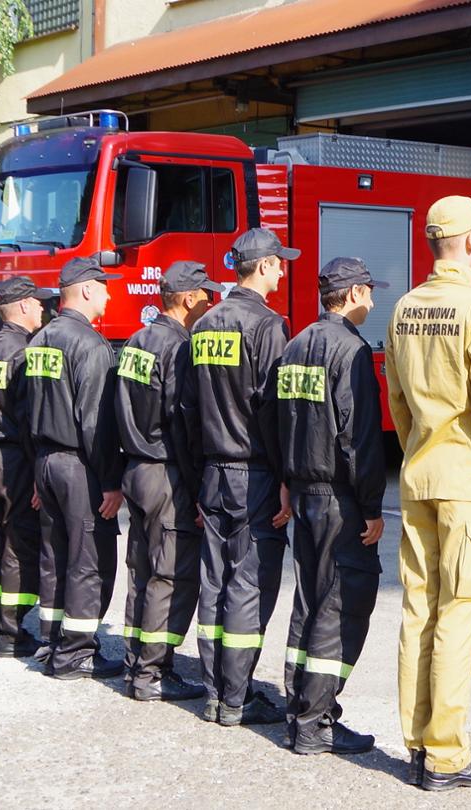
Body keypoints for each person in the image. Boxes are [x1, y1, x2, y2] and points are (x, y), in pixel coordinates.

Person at [384, 195, 471, 791]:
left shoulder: (404, 308)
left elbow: (396, 399)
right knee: (461, 616)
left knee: (420, 611)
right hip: (466, 486)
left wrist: (417, 452)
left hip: (418, 476)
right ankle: (446, 757)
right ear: (469, 242)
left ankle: (418, 745)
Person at [275, 257, 389, 756]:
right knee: (340, 606)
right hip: (338, 500)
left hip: (303, 494)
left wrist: (286, 481)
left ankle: (299, 706)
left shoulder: (296, 345)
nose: (373, 301)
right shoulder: (352, 350)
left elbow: (278, 422)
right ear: (355, 293)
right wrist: (372, 506)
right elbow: (358, 438)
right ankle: (316, 721)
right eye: (370, 292)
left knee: (309, 601)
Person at [186, 229, 295, 725]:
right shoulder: (268, 325)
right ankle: (237, 697)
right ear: (265, 266)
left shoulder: (205, 323)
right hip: (254, 475)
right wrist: (286, 477)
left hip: (212, 471)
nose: (283, 270)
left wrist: (198, 477)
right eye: (279, 263)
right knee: (249, 585)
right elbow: (274, 410)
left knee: (215, 582)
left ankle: (215, 692)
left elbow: (188, 408)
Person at [115, 260, 217, 701]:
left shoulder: (136, 341)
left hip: (136, 468)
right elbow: (184, 424)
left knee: (140, 572)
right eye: (206, 295)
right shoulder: (179, 348)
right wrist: (197, 490)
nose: (211, 302)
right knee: (171, 575)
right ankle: (154, 672)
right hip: (166, 474)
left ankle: (135, 662)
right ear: (188, 299)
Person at [27, 257, 125, 680]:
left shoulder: (39, 340)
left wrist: (38, 470)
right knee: (89, 560)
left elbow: (27, 410)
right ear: (86, 290)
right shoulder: (90, 344)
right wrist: (111, 481)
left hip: (45, 461)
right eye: (104, 287)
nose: (108, 295)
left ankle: (52, 641)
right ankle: (77, 652)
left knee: (54, 556)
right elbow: (95, 423)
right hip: (78, 464)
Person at [0, 277, 55, 658]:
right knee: (19, 543)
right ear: (23, 305)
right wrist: (37, 469)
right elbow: (28, 419)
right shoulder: (23, 353)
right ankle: (11, 631)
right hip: (16, 458)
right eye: (37, 302)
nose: (42, 309)